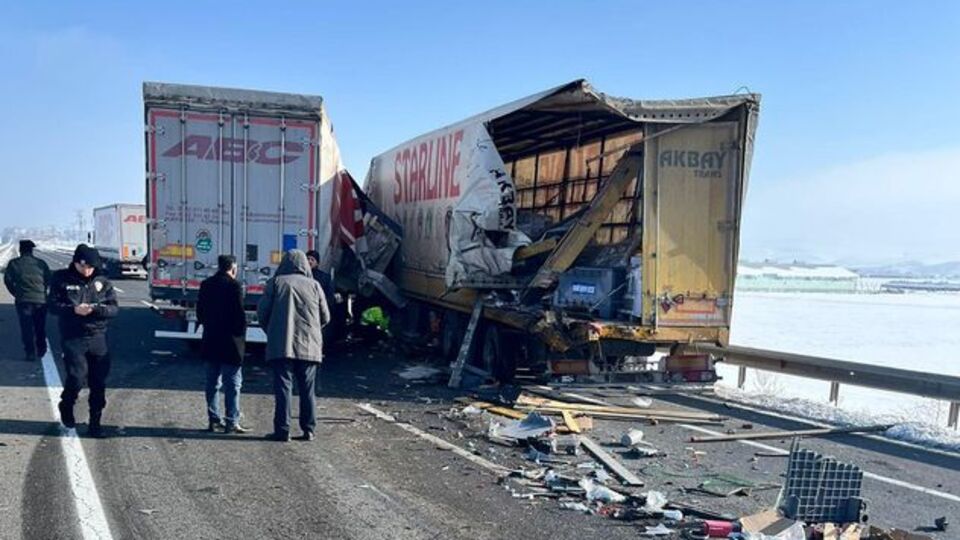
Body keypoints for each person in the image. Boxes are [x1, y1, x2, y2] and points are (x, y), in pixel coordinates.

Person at [257, 250, 330, 442]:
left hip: (281, 346)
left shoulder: (275, 283)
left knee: (283, 388)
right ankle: (309, 429)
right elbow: (325, 316)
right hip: (309, 347)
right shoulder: (315, 285)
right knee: (308, 390)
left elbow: (262, 313)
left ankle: (282, 430)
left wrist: (272, 331)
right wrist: (312, 332)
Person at [48, 245, 118, 437]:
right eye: (83, 266)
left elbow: (113, 308)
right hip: (73, 337)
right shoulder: (61, 278)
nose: (87, 270)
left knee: (98, 382)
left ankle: (95, 423)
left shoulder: (102, 281)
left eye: (91, 267)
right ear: (76, 262)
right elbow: (52, 306)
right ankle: (67, 404)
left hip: (97, 336)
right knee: (77, 378)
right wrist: (73, 310)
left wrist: (96, 309)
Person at [197, 255, 248, 434]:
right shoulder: (235, 286)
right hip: (230, 343)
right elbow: (239, 315)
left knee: (212, 382)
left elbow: (200, 313)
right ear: (233, 267)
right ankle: (231, 421)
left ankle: (213, 419)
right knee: (232, 383)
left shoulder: (206, 284)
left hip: (211, 340)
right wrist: (241, 335)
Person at [3, 240, 51, 361]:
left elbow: (7, 280)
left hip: (23, 300)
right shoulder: (41, 263)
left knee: (26, 328)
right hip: (41, 300)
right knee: (40, 326)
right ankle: (42, 349)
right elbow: (49, 280)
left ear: (20, 250)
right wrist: (43, 293)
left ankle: (30, 353)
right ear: (32, 250)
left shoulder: (14, 263)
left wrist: (16, 292)